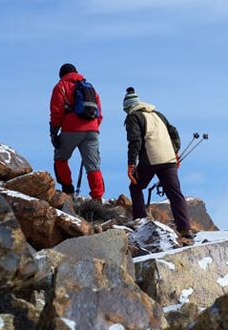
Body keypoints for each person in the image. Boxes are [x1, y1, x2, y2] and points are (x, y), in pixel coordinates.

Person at [122, 87, 194, 245]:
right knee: (175, 193)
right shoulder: (158, 114)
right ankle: (185, 230)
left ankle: (140, 222)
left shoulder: (134, 116)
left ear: (128, 107)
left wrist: (131, 164)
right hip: (169, 159)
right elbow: (173, 132)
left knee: (136, 186)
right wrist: (175, 153)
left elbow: (135, 141)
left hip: (151, 159)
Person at [49, 63, 105, 201]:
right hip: (92, 130)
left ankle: (68, 191)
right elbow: (99, 113)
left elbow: (56, 111)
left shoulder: (61, 86)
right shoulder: (90, 87)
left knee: (60, 158)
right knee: (93, 166)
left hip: (71, 129)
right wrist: (94, 127)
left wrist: (54, 132)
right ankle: (97, 199)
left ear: (61, 75)